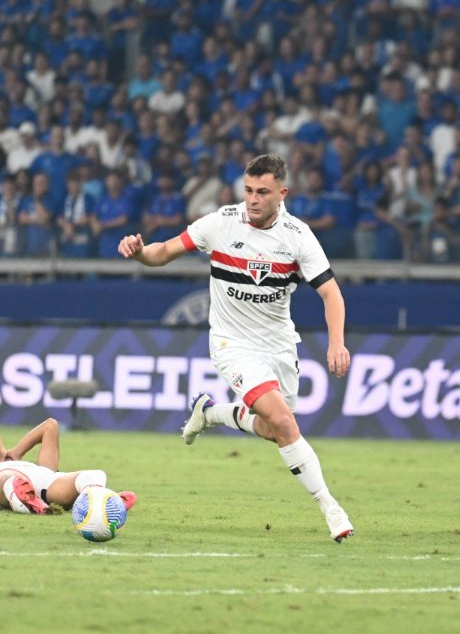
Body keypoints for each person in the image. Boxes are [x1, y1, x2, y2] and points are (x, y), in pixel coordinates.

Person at [117, 154, 355, 542]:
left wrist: (337, 343)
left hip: (279, 345)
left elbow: (331, 293)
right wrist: (140, 251)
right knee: (283, 422)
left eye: (263, 192)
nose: (253, 199)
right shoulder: (221, 223)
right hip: (232, 343)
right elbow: (164, 252)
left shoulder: (297, 236)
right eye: (248, 190)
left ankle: (211, 413)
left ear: (282, 193)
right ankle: (332, 508)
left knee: (275, 428)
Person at [0, 418, 137, 515]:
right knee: (9, 480)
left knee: (95, 475)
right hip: (9, 481)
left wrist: (17, 452)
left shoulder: (20, 461)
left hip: (47, 484)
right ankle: (29, 501)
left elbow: (50, 426)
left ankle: (103, 501)